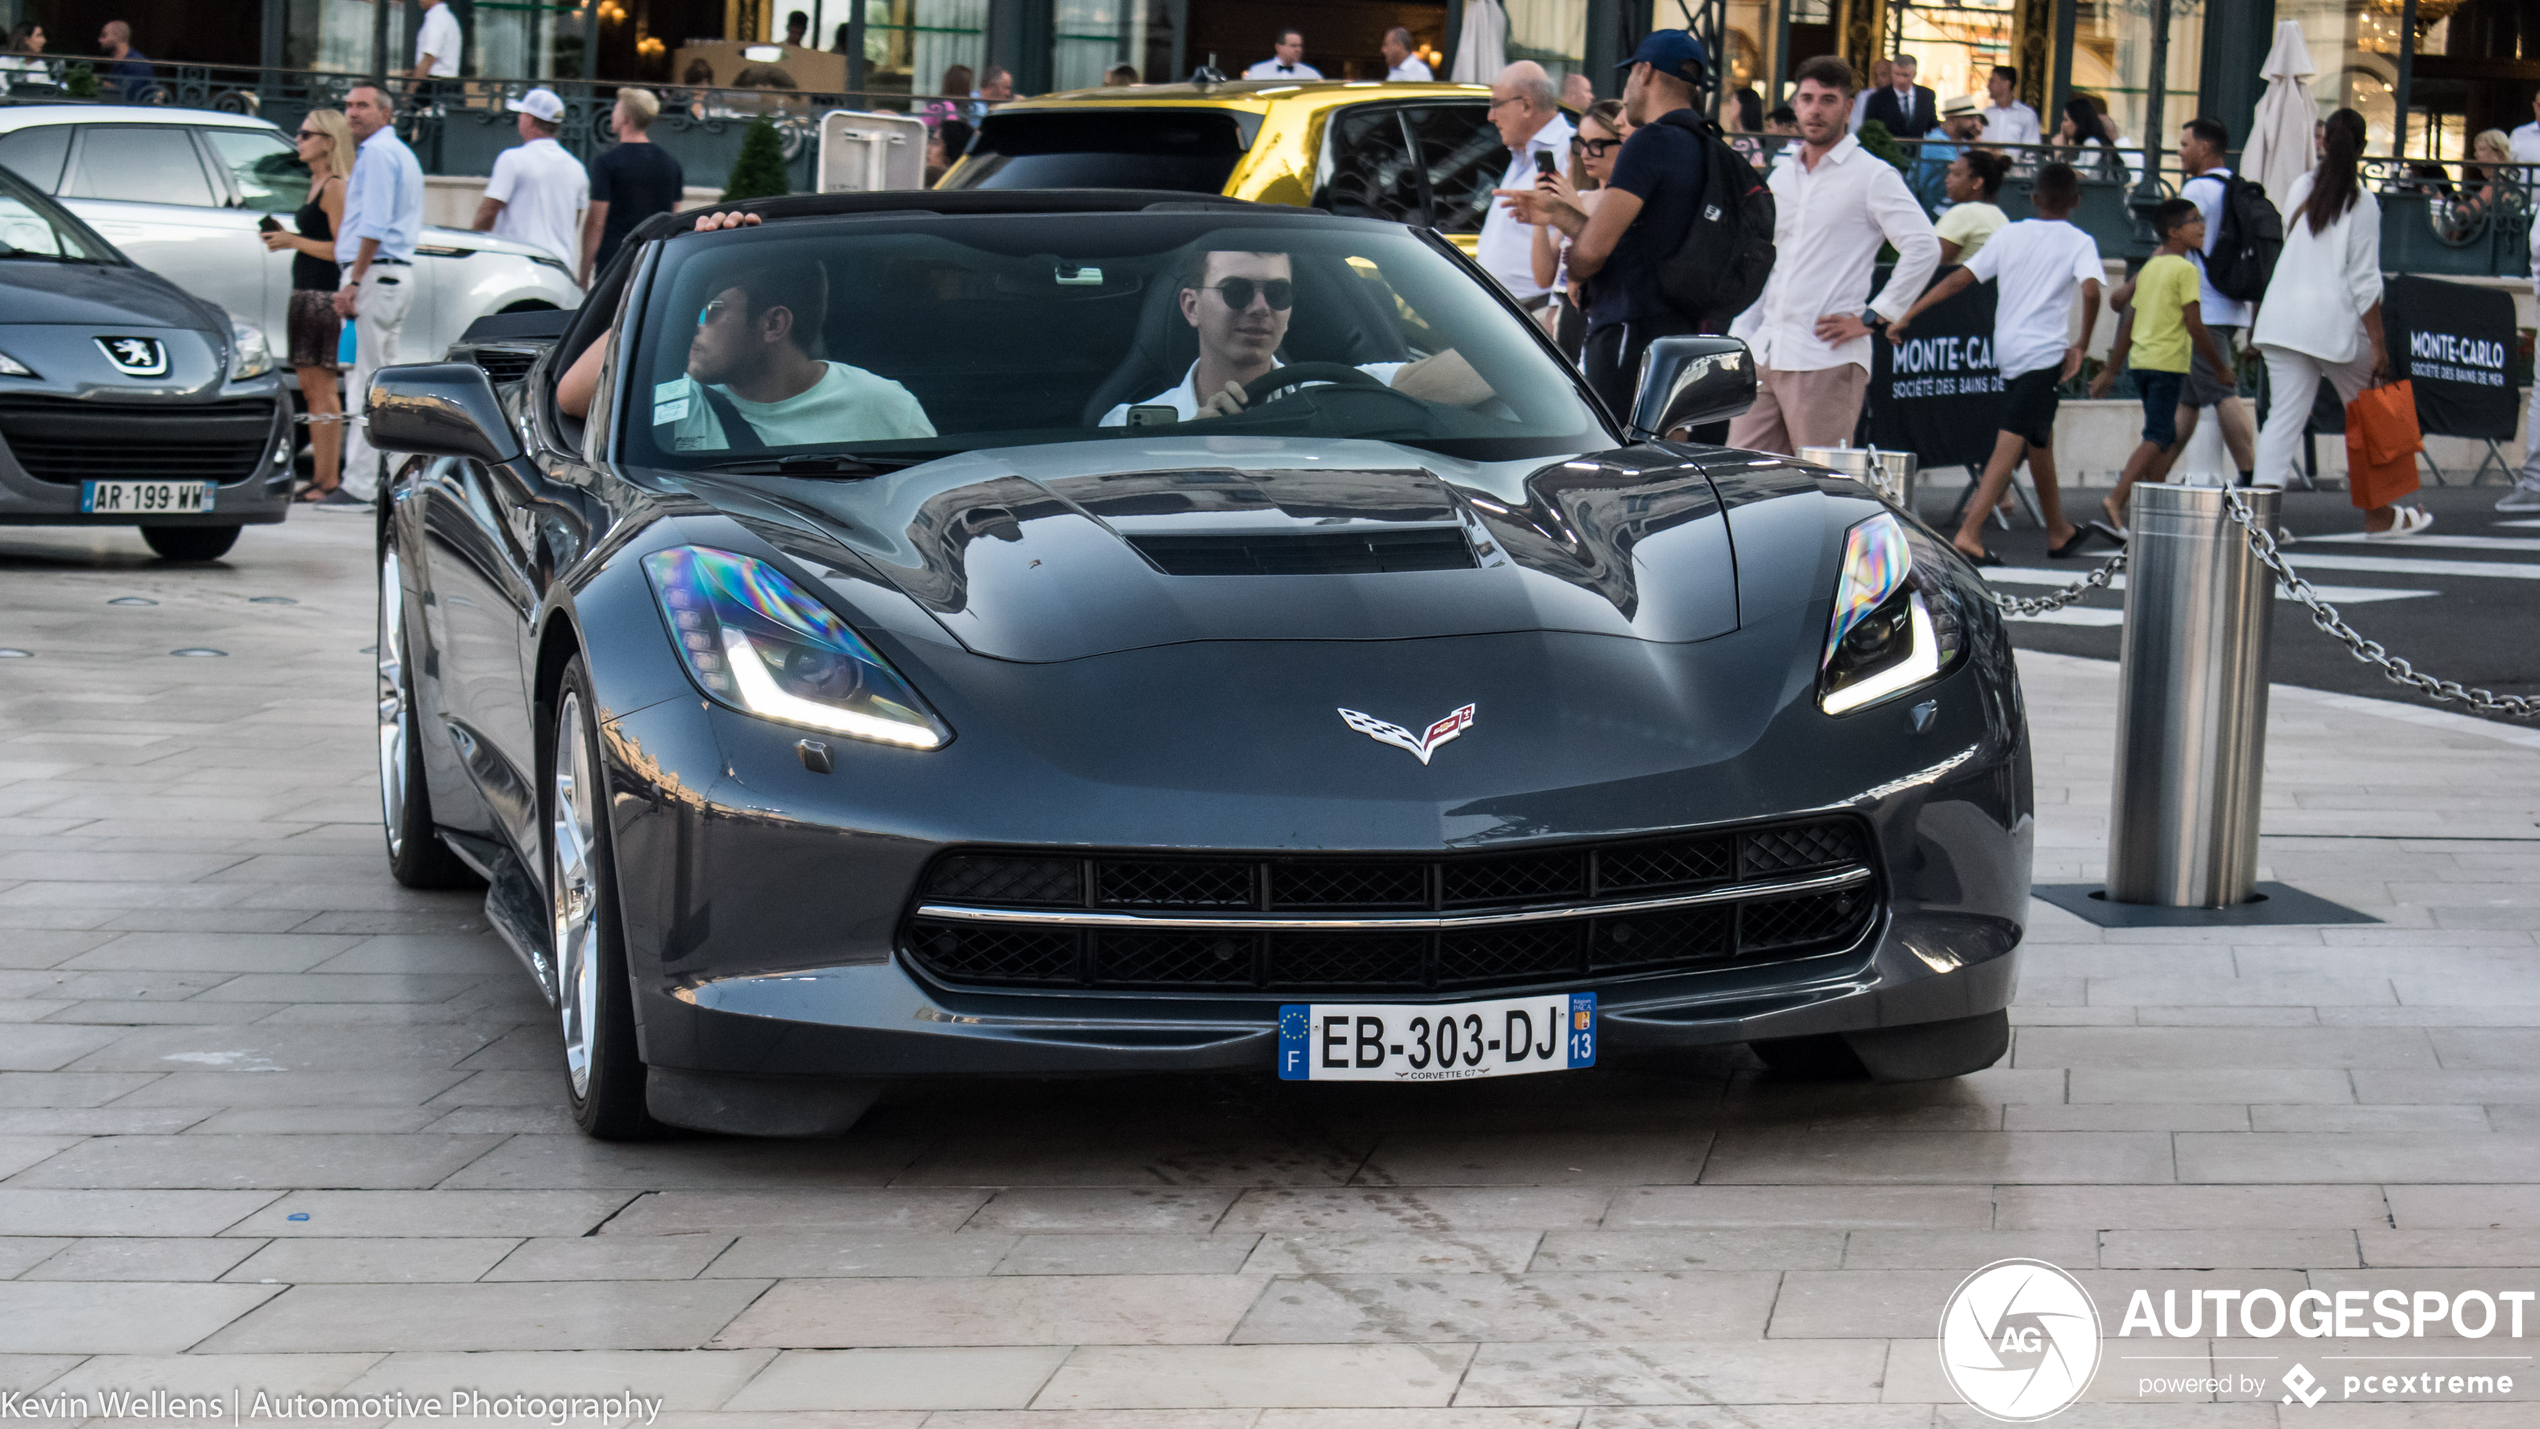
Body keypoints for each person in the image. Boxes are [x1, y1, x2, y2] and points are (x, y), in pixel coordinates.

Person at [1722, 54, 1940, 456]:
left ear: (1848, 108)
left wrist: (1877, 316)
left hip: (1825, 357)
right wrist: (1743, 336)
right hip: (1767, 352)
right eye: (1806, 98)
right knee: (1746, 486)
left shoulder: (1872, 175)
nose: (1814, 109)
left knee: (1821, 489)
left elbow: (1924, 245)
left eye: (1827, 99)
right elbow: (1772, 260)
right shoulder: (1782, 174)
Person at [1888, 162, 2103, 564]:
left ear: (2034, 198)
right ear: (2076, 201)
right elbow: (2091, 293)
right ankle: (1970, 533)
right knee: (2014, 437)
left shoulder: (2010, 234)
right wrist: (2082, 344)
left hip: (2007, 349)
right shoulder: (2079, 241)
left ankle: (2058, 530)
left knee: (2039, 436)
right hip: (2043, 353)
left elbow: (1958, 279)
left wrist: (1908, 314)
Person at [1492, 30, 1714, 419]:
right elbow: (1641, 241)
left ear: (1644, 72)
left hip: (1629, 328)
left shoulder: (1649, 143)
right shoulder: (1704, 143)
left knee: (1615, 449)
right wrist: (1557, 216)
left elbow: (1595, 248)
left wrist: (1578, 271)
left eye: (1629, 75)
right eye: (1583, 145)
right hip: (1678, 329)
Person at [2246, 109, 2435, 533]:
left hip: (2282, 320)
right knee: (2372, 416)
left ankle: (2261, 523)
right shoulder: (2362, 201)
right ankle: (2380, 515)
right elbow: (2365, 280)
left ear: (2324, 144)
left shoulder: (2301, 186)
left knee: (2283, 420)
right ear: (2363, 148)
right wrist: (2380, 343)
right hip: (2331, 326)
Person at [1095, 248, 1487, 425]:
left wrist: (1546, 321)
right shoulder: (1130, 424)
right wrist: (1191, 441)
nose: (1260, 307)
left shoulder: (1336, 394)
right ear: (1191, 307)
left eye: (1278, 293)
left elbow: (1490, 364)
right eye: (1237, 291)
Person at [2088, 198, 2235, 535]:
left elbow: (2128, 319)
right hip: (2168, 363)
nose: (2201, 226)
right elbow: (2195, 325)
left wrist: (2113, 368)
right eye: (2193, 220)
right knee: (2157, 435)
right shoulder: (2186, 270)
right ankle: (2117, 498)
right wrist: (2219, 367)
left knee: (2165, 436)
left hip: (2142, 362)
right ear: (2173, 232)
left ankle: (2154, 511)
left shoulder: (2151, 269)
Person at [333, 84, 424, 507]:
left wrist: (354, 279)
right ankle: (384, 481)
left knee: (366, 381)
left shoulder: (379, 155)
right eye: (349, 105)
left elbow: (373, 224)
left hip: (376, 275)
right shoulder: (396, 152)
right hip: (389, 275)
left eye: (362, 106)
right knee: (382, 383)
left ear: (385, 113)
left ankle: (358, 484)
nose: (353, 113)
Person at [259, 109, 354, 502]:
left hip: (322, 295)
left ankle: (328, 479)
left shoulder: (334, 186)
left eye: (305, 134)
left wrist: (294, 241)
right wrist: (292, 238)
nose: (298, 140)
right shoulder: (316, 183)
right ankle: (320, 476)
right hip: (305, 291)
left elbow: (341, 248)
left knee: (323, 388)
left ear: (327, 141)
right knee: (312, 387)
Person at [2173, 116, 2257, 487]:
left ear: (2204, 148)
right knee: (2188, 400)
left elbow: (2175, 240)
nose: (2180, 151)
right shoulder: (2235, 187)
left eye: (2185, 144)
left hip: (2202, 306)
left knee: (2223, 391)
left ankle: (2254, 477)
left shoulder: (2197, 190)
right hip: (2229, 303)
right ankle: (2152, 475)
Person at [1530, 99, 1628, 360]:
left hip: (1595, 334)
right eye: (1581, 143)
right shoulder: (1582, 197)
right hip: (1560, 334)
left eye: (1597, 145)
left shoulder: (1625, 205)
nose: (1585, 154)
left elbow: (1607, 259)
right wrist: (1542, 216)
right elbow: (1543, 276)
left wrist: (1572, 211)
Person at [1474, 62, 1573, 309]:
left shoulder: (1572, 150)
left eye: (1496, 104)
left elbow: (1577, 240)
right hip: (1502, 311)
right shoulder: (1524, 153)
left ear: (1527, 105)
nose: (1491, 116)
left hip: (1533, 314)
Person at [474, 88, 588, 272]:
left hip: (518, 265)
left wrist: (476, 252)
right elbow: (574, 221)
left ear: (529, 120)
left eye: (522, 114)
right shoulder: (578, 169)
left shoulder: (512, 159)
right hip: (560, 268)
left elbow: (488, 212)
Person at [582, 88, 683, 285]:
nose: (612, 114)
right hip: (654, 260)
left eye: (616, 109)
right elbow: (674, 218)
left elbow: (596, 223)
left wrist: (583, 274)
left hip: (615, 260)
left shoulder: (607, 163)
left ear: (626, 118)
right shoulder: (671, 164)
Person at [1934, 148, 2009, 265]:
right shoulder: (2001, 217)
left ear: (1977, 183)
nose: (1947, 179)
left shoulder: (1962, 213)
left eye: (1956, 174)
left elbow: (1931, 263)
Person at [1916, 95, 1983, 210]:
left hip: (1954, 200)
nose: (1974, 123)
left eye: (1975, 118)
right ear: (1952, 119)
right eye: (1969, 118)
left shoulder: (1962, 142)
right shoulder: (1936, 141)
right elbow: (1961, 170)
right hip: (1936, 204)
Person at [1861, 52, 1937, 139]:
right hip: (1887, 150)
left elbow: (1932, 126)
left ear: (1914, 74)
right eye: (1897, 74)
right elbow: (1869, 130)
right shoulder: (1877, 98)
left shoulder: (1926, 96)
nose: (1901, 80)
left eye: (1905, 75)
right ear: (1891, 73)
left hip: (1918, 150)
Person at [2057, 96, 2123, 181]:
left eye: (2066, 120)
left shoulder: (2092, 143)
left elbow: (2085, 175)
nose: (2063, 125)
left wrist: (2059, 156)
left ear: (2077, 121)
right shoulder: (2084, 144)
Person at [410, 0, 461, 111]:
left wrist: (411, 89)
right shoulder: (447, 18)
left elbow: (429, 57)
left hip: (435, 86)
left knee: (419, 122)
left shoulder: (437, 19)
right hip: (447, 84)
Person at [1981, 65, 2041, 150]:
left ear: (2006, 83)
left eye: (1992, 81)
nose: (1988, 86)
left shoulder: (2027, 115)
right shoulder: (1986, 114)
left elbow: (2031, 148)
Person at [96, 20, 154, 102]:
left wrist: (101, 83)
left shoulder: (136, 62)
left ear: (118, 36)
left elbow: (130, 96)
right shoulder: (118, 59)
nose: (100, 40)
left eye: (104, 36)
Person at [0, 22, 57, 94]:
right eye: (39, 35)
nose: (43, 41)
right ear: (26, 40)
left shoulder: (40, 65)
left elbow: (45, 90)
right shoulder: (4, 62)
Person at [1245, 29, 1321, 81]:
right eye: (1293, 46)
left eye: (1300, 46)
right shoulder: (1257, 71)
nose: (1299, 50)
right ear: (1278, 47)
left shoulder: (1311, 74)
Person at [1847, 58, 1890, 134]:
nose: (1878, 80)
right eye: (1875, 75)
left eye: (1883, 75)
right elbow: (1855, 127)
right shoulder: (1864, 96)